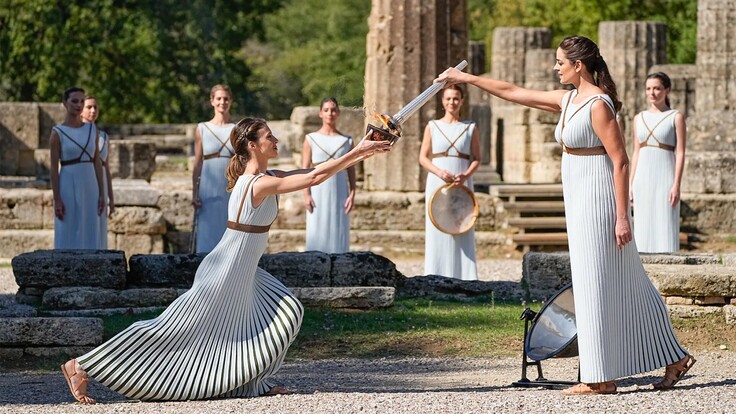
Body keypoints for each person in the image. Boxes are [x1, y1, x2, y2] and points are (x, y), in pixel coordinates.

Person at [59, 118, 391, 404]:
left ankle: (252, 381)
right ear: (253, 145)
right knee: (168, 330)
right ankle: (83, 365)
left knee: (287, 311)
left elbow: (310, 170)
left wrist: (362, 150)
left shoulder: (267, 175)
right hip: (226, 269)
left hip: (244, 269)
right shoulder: (258, 184)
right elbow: (315, 178)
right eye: (269, 137)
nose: (275, 141)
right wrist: (360, 151)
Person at [436, 35, 695, 395]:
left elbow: (620, 161)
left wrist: (622, 216)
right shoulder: (569, 99)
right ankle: (674, 357)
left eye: (561, 62)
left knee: (597, 284)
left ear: (579, 65)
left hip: (599, 199)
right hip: (578, 195)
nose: (555, 67)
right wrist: (467, 79)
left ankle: (600, 379)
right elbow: (514, 90)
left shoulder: (599, 105)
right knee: (628, 282)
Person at [418, 85, 480, 280]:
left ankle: (465, 276)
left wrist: (466, 175)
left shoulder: (470, 127)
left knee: (462, 223)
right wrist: (439, 171)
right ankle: (435, 273)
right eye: (448, 99)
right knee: (438, 223)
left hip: (462, 183)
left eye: (456, 99)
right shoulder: (433, 126)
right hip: (438, 181)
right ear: (442, 101)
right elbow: (423, 157)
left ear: (462, 101)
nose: (452, 102)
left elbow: (477, 158)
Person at [630, 72, 686, 253]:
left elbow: (681, 151)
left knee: (665, 222)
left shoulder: (675, 117)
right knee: (642, 224)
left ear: (667, 90)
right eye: (648, 89)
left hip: (665, 177)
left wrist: (676, 184)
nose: (652, 93)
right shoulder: (639, 118)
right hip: (642, 178)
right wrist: (630, 184)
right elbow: (636, 152)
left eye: (656, 88)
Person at [50, 87, 104, 249]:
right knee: (68, 225)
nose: (79, 105)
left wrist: (102, 193)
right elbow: (53, 168)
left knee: (90, 226)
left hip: (90, 183)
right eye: (74, 101)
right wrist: (57, 198)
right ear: (65, 103)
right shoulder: (57, 133)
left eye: (81, 101)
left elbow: (97, 162)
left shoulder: (92, 130)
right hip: (68, 181)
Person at [301, 97, 356, 253]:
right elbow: (305, 168)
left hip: (339, 188)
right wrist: (306, 194)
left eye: (333, 110)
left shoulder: (346, 140)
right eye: (326, 110)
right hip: (318, 189)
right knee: (317, 226)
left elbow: (351, 169)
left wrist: (352, 193)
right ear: (320, 113)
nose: (330, 113)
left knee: (339, 226)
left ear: (338, 113)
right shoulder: (311, 139)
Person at [191, 85, 236, 253]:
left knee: (228, 226)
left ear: (231, 101)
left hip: (229, 185)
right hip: (208, 188)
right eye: (218, 98)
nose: (222, 102)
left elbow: (242, 162)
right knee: (207, 230)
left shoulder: (236, 129)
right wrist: (195, 193)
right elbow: (197, 163)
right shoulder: (202, 128)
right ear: (212, 101)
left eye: (226, 99)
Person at [81, 95, 115, 249]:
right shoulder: (76, 133)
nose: (93, 110)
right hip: (85, 179)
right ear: (81, 110)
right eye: (89, 107)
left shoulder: (104, 136)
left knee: (99, 223)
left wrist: (111, 198)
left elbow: (106, 167)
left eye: (95, 107)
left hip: (102, 182)